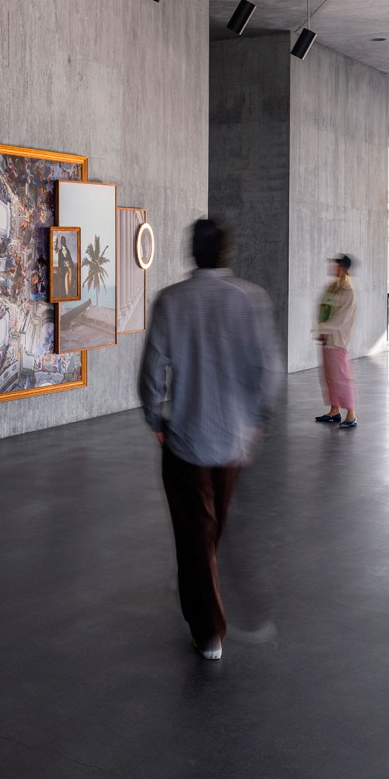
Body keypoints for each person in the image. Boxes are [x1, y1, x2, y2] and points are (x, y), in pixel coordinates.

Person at [138, 218, 282, 661]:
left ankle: (209, 631)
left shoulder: (170, 301)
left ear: (191, 251)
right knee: (209, 524)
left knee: (197, 530)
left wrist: (155, 418)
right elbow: (270, 371)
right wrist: (256, 417)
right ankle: (200, 588)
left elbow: (151, 370)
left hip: (185, 436)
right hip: (233, 438)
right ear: (227, 252)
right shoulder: (251, 300)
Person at [313, 254, 358, 429]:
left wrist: (323, 329)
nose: (333, 267)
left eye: (336, 265)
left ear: (344, 268)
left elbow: (341, 318)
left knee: (342, 376)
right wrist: (320, 329)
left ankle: (351, 414)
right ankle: (334, 410)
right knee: (329, 376)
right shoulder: (331, 287)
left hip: (338, 340)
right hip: (326, 338)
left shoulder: (348, 290)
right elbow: (321, 308)